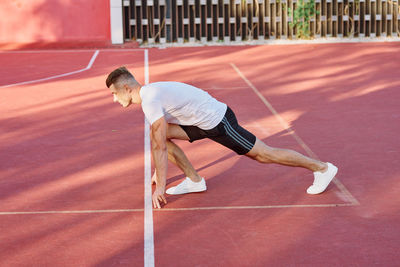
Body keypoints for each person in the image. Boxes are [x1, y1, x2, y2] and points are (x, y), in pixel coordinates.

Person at [106, 66, 338, 209]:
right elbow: (159, 140)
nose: (115, 99)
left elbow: (159, 147)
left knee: (263, 155)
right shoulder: (151, 93)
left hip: (219, 121)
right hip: (200, 123)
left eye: (115, 94)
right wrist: (159, 172)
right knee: (160, 135)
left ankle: (321, 168)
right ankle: (195, 181)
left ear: (127, 88)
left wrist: (161, 186)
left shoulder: (151, 98)